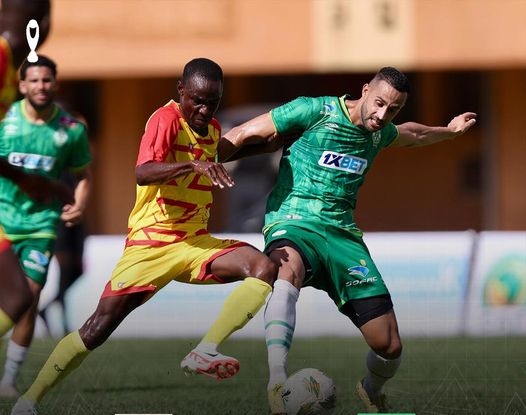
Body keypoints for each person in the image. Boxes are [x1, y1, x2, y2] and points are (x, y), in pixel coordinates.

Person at [10, 57, 278, 415]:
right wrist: (193, 164)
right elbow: (143, 171)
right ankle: (29, 400)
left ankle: (205, 349)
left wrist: (288, 136)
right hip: (150, 245)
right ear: (180, 91)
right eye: (196, 100)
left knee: (263, 267)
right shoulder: (164, 118)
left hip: (195, 243)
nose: (202, 109)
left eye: (211, 102)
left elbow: (239, 147)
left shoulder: (212, 129)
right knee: (95, 330)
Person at [219, 66, 477, 414]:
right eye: (380, 103)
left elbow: (411, 135)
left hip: (342, 236)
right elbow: (246, 131)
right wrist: (199, 162)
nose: (383, 114)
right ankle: (277, 382)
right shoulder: (315, 110)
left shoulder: (379, 132)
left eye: (394, 109)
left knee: (388, 345)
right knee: (286, 269)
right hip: (295, 219)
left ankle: (371, 390)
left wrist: (449, 131)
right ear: (366, 89)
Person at [0, 54, 92, 399]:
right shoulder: (5, 123)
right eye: (34, 80)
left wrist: (80, 204)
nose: (41, 86)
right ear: (21, 85)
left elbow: (84, 175)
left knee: (29, 298)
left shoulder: (70, 130)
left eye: (47, 80)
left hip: (41, 226)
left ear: (56, 83)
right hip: (3, 222)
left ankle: (8, 379)